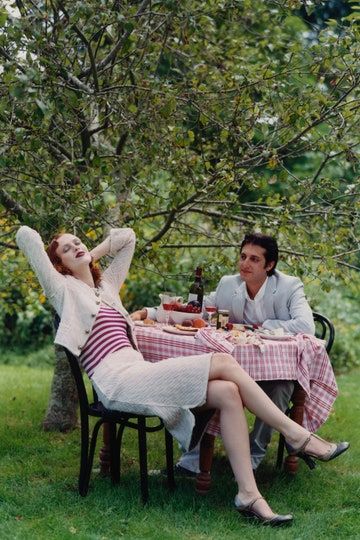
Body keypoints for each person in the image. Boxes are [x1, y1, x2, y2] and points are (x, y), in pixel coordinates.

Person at [16, 225, 349, 527]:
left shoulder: (106, 288)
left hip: (138, 371)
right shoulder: (63, 291)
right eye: (65, 249)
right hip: (116, 382)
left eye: (78, 241)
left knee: (228, 393)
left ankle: (249, 495)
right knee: (223, 361)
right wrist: (73, 258)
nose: (75, 246)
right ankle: (297, 435)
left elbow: (128, 237)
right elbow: (25, 237)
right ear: (57, 266)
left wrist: (91, 254)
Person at [133, 232, 316, 474]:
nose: (245, 264)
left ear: (269, 265)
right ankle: (193, 458)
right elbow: (197, 311)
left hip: (273, 366)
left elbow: (306, 325)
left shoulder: (288, 286)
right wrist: (148, 312)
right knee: (203, 380)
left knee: (281, 387)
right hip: (232, 363)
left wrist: (260, 327)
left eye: (254, 259)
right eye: (242, 256)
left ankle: (252, 454)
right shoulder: (229, 284)